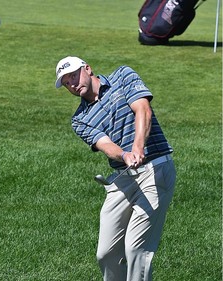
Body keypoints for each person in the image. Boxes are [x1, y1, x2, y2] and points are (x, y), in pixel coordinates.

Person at [54, 56, 176, 281]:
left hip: (156, 168)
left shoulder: (123, 75)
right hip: (124, 176)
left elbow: (143, 110)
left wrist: (138, 147)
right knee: (106, 253)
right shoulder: (80, 120)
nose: (71, 83)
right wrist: (125, 154)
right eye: (66, 82)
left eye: (73, 75)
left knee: (135, 248)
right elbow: (106, 146)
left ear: (88, 69)